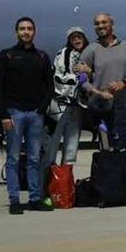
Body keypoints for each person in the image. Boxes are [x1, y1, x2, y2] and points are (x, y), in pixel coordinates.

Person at [0, 17, 55, 214]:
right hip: (14, 113)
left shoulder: (42, 57)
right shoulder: (6, 56)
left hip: (35, 114)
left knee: (35, 158)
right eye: (22, 29)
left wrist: (42, 109)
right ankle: (15, 200)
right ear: (16, 32)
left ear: (34, 32)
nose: (26, 32)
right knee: (13, 158)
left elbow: (49, 85)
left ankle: (35, 198)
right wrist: (3, 115)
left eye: (29, 29)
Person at [77, 13, 126, 159]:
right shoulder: (91, 49)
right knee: (107, 151)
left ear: (112, 25)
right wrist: (97, 92)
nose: (100, 26)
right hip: (102, 109)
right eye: (97, 23)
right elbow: (80, 78)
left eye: (104, 22)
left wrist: (124, 83)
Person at [43, 27, 88, 171]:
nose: (76, 39)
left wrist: (88, 74)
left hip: (77, 107)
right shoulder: (64, 54)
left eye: (79, 36)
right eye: (73, 37)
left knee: (71, 148)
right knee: (51, 146)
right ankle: (47, 184)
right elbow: (57, 77)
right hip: (59, 105)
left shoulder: (88, 55)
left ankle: (65, 187)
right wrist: (78, 78)